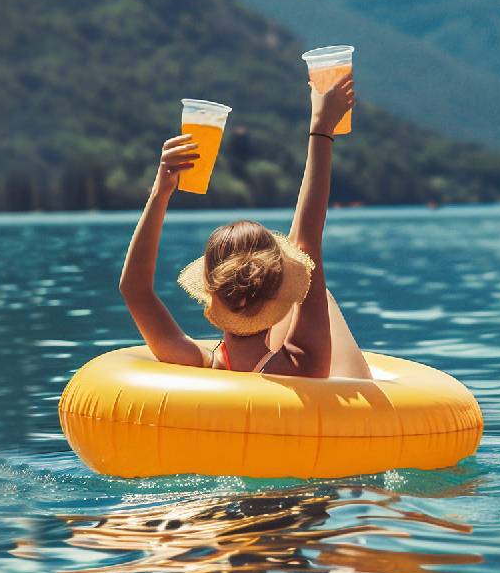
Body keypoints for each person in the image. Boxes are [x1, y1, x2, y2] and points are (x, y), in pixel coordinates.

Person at [118, 74, 371, 379]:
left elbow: (134, 289)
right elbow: (306, 243)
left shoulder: (194, 363)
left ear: (210, 290)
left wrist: (161, 191)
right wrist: (321, 128)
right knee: (321, 295)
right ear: (279, 290)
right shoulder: (303, 363)